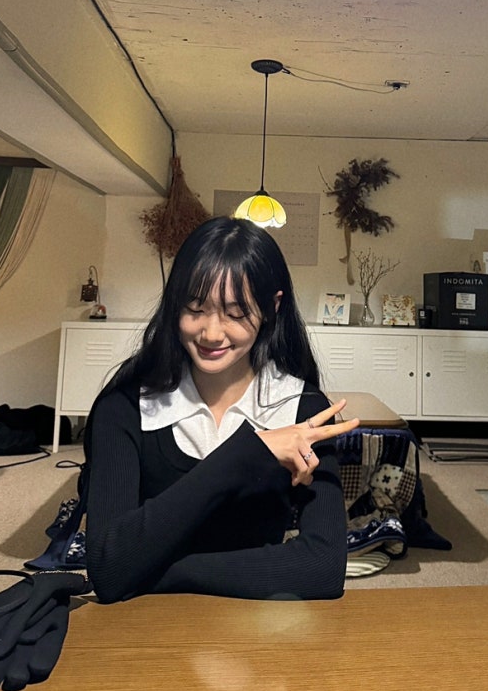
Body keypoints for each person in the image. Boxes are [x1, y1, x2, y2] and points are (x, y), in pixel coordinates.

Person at [83, 216, 359, 603]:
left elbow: (323, 568)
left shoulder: (302, 411)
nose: (211, 333)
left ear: (271, 307)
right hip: (145, 628)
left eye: (236, 313)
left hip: (255, 627)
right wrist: (250, 454)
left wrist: (157, 574)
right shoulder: (125, 407)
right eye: (194, 308)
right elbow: (108, 567)